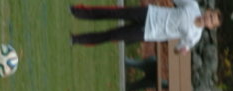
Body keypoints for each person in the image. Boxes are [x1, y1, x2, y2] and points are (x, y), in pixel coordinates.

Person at [69, 2, 222, 53]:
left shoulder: (195, 36)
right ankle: (76, 11)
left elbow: (179, 49)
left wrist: (181, 50)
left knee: (112, 35)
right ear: (208, 11)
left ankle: (76, 39)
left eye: (211, 21)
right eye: (210, 15)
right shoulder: (192, 5)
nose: (208, 19)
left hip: (148, 32)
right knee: (113, 13)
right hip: (149, 13)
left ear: (210, 27)